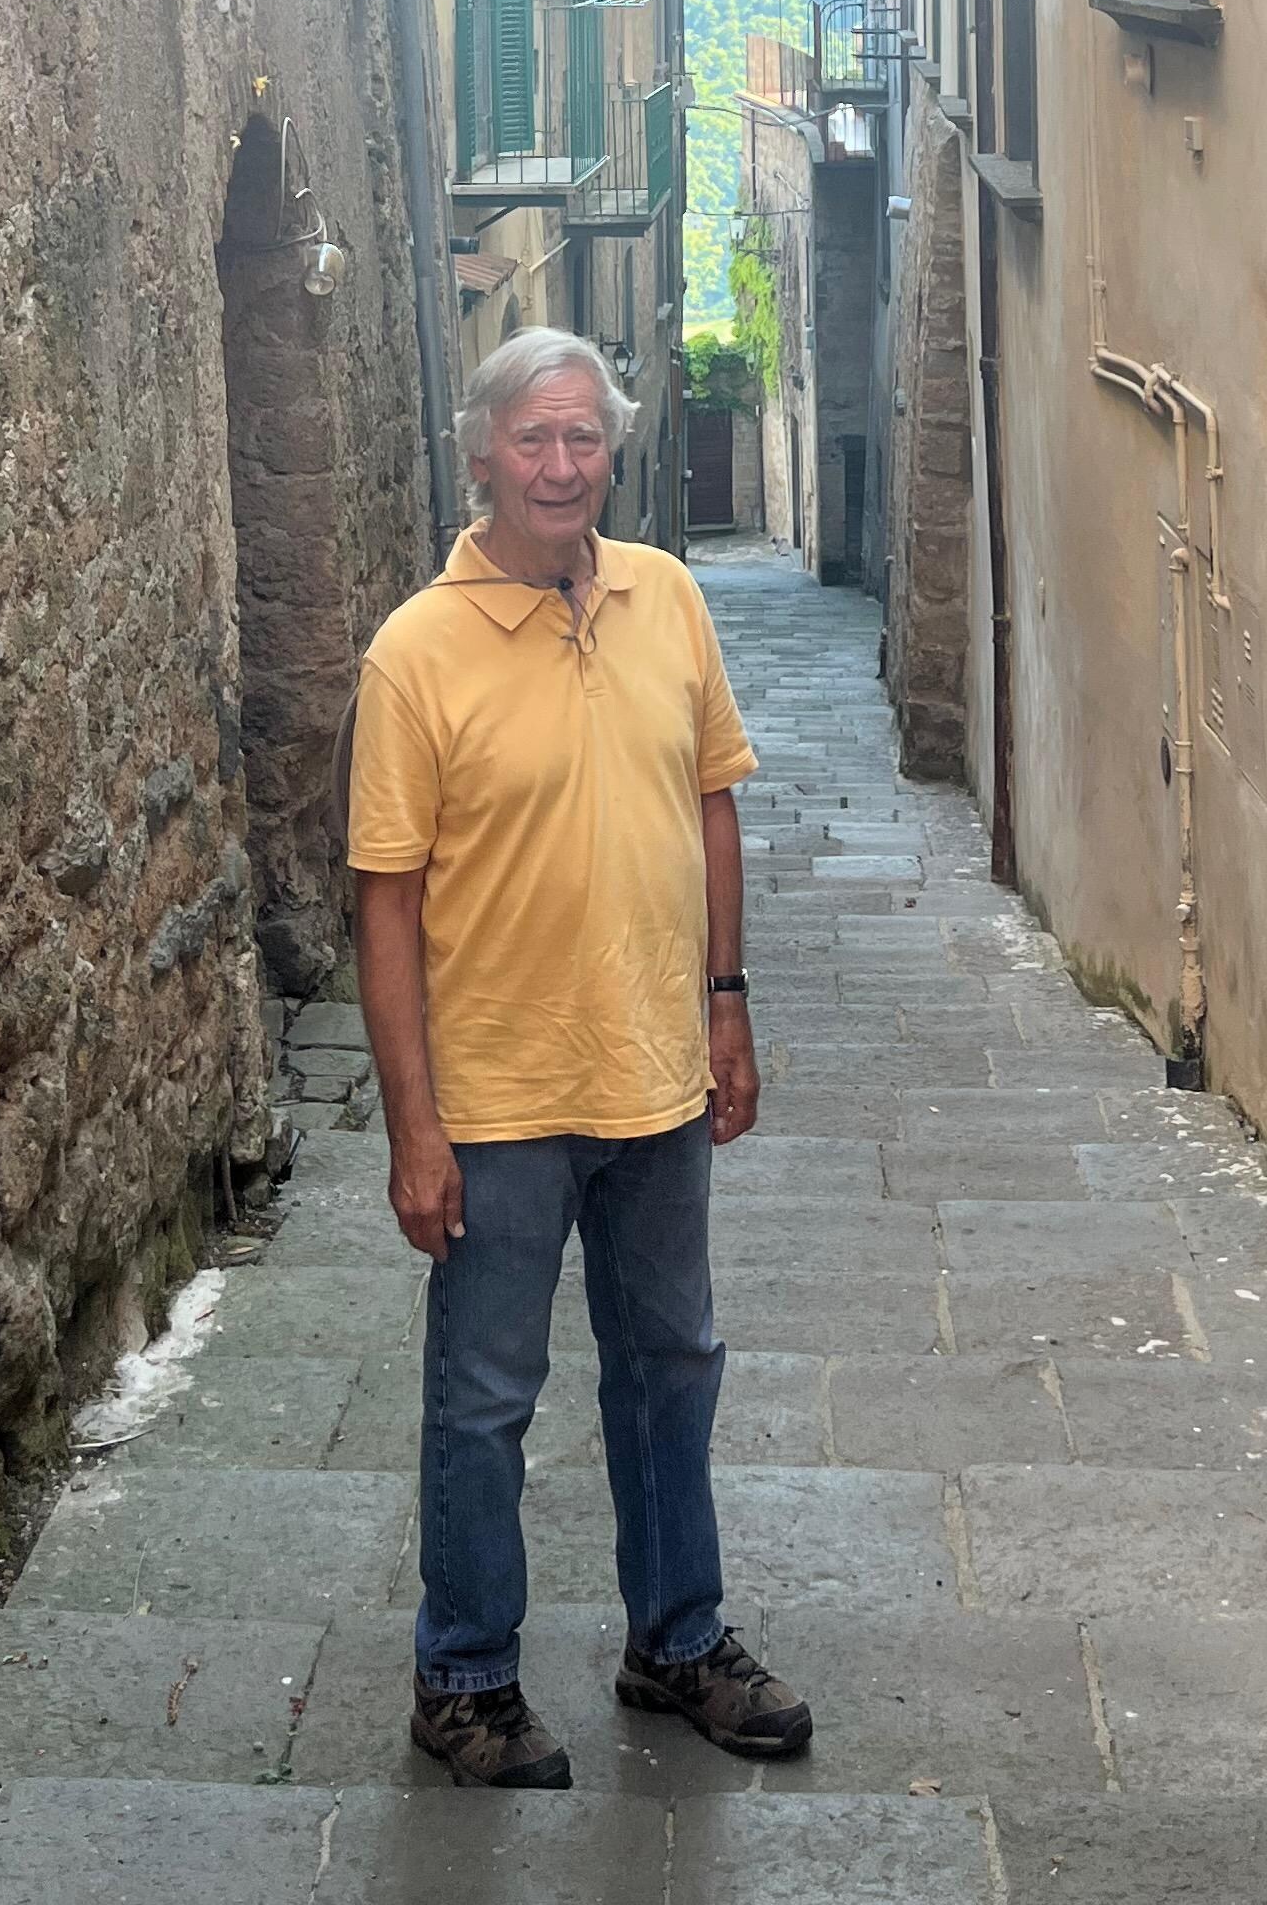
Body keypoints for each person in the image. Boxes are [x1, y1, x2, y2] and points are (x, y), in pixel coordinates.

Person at [346, 325, 812, 1792]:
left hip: (657, 1071)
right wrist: (414, 1128)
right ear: (481, 453)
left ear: (614, 450)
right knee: (486, 1395)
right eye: (534, 440)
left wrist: (727, 1004)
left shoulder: (668, 598)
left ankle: (678, 1639)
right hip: (495, 1096)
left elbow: (714, 805)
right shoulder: (414, 652)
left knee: (672, 1364)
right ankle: (465, 1673)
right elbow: (387, 902)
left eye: (584, 439)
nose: (561, 466)